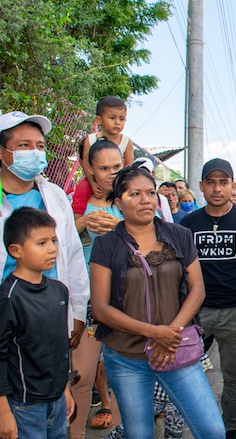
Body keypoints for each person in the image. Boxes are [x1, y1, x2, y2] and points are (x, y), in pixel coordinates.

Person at [89, 163, 225, 439]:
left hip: (176, 349)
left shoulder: (179, 235)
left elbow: (198, 288)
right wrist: (154, 333)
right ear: (118, 202)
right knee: (139, 434)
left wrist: (170, 333)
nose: (145, 201)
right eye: (134, 194)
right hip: (126, 356)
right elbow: (101, 308)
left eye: (150, 193)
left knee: (212, 430)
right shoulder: (106, 245)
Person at [180, 158, 236, 439]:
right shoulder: (189, 224)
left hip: (235, 310)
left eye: (223, 182)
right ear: (202, 186)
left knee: (234, 376)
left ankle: (230, 427)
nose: (217, 188)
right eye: (211, 182)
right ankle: (198, 423)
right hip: (197, 312)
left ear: (232, 185)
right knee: (187, 374)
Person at [0, 112, 90, 356]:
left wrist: (78, 312)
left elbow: (72, 255)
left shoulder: (54, 196)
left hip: (48, 313)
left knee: (46, 385)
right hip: (5, 313)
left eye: (40, 146)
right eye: (24, 145)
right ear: (2, 152)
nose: (35, 152)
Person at [0, 207, 75, 438]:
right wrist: (3, 411)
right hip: (25, 405)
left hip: (57, 400)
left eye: (53, 240)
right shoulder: (8, 297)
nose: (52, 248)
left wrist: (65, 389)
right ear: (16, 250)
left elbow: (60, 346)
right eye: (41, 243)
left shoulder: (59, 290)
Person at [72, 139, 125, 433]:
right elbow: (61, 241)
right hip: (88, 306)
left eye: (116, 167)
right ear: (90, 168)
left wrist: (121, 227)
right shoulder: (76, 202)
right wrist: (83, 223)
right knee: (81, 376)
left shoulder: (133, 199)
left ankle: (121, 430)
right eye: (103, 168)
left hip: (125, 305)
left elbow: (153, 239)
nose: (111, 174)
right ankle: (75, 432)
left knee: (124, 379)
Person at [71, 97, 136, 219]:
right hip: (94, 179)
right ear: (98, 120)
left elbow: (128, 165)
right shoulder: (90, 140)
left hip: (119, 181)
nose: (117, 122)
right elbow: (86, 163)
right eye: (112, 118)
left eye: (122, 119)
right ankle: (77, 219)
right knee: (82, 188)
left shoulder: (127, 142)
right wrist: (92, 183)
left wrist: (119, 182)